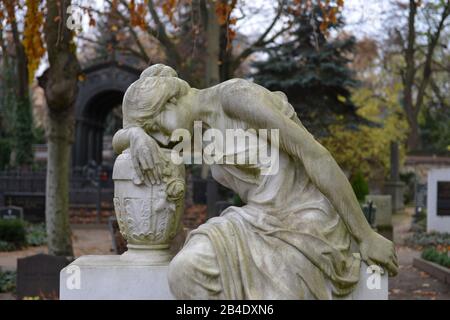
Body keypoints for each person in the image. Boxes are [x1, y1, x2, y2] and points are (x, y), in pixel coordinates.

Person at [112, 64, 398, 299]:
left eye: (154, 126)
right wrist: (135, 136)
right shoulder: (194, 132)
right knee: (184, 271)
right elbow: (119, 139)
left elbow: (315, 155)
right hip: (253, 221)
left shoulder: (236, 97)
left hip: (304, 219)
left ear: (171, 101)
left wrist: (365, 235)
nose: (159, 139)